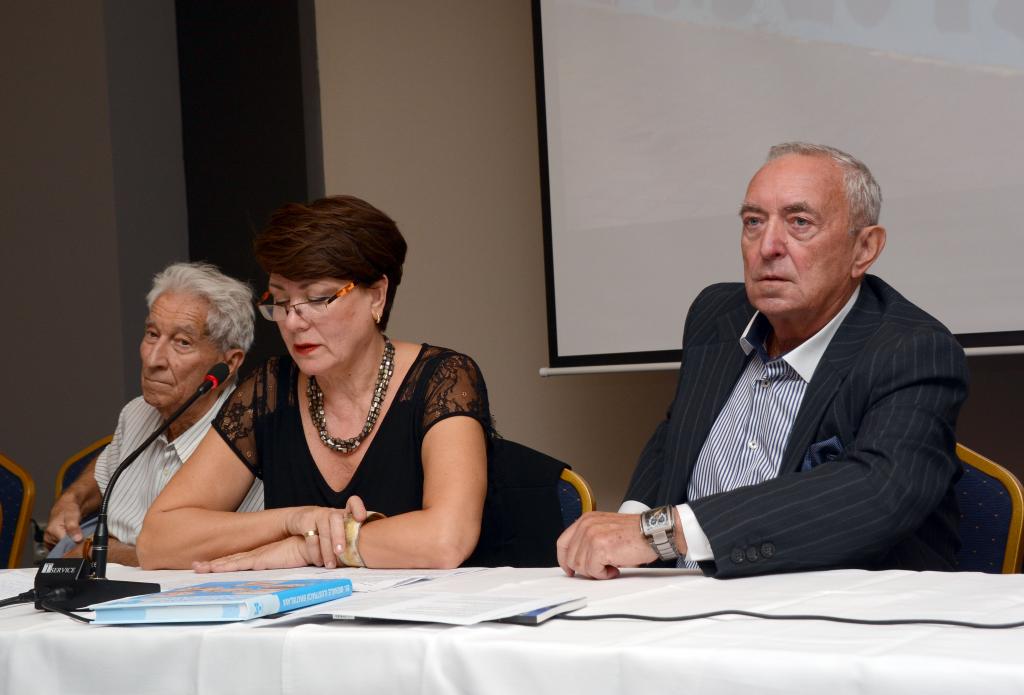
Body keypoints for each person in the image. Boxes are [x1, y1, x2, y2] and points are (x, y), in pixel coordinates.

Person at [557, 142, 968, 579]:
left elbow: (876, 492)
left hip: (835, 605)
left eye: (800, 222)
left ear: (864, 249)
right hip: (684, 597)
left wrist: (659, 531)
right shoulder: (716, 315)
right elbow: (676, 435)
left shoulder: (912, 349)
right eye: (754, 222)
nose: (768, 246)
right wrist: (625, 528)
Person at [137, 195, 492, 572]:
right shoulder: (270, 390)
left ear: (376, 296)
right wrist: (294, 521)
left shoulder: (443, 379)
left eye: (317, 298)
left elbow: (446, 539)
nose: (292, 322)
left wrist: (309, 549)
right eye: (280, 301)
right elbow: (157, 542)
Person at [44, 262, 264, 566]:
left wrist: (97, 552)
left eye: (182, 342)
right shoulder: (137, 412)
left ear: (228, 363)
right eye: (152, 334)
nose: (153, 359)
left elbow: (206, 560)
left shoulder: (246, 438)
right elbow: (105, 471)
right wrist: (73, 500)